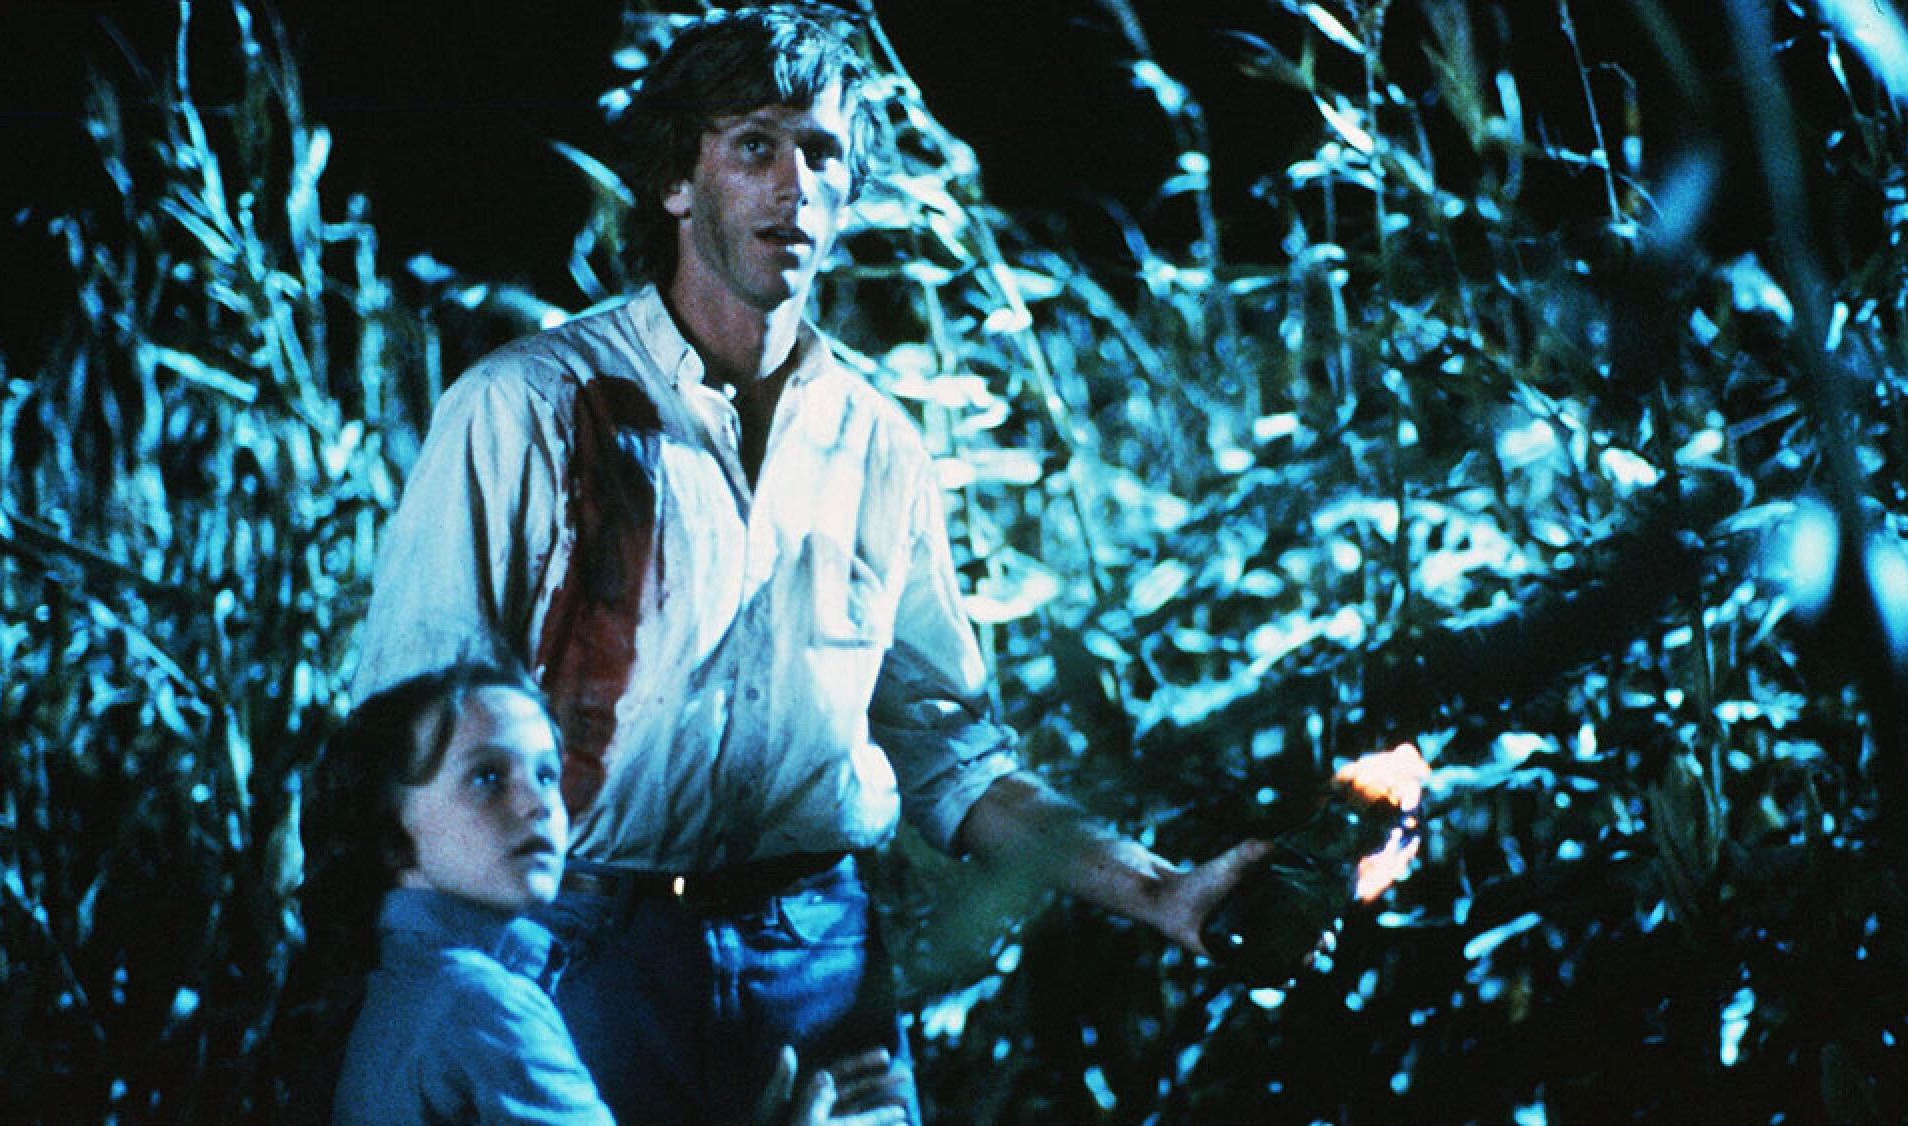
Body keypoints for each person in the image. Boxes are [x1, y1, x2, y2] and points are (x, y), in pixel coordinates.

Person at [350, 8, 1275, 1122]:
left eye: (823, 153)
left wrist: (1158, 889)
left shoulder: (877, 444)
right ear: (678, 185)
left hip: (818, 959)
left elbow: (951, 755)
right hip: (580, 951)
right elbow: (404, 734)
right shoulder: (524, 409)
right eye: (754, 146)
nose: (794, 183)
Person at [305, 660, 910, 1125]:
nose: (538, 802)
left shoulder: (408, 980)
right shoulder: (484, 1006)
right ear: (392, 835)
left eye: (548, 773)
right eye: (488, 778)